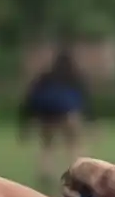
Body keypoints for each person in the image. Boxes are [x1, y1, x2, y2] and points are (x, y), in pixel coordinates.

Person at [19, 50, 90, 183]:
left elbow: (30, 98)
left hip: (47, 116)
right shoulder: (74, 76)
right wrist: (91, 119)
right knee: (73, 144)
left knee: (47, 146)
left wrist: (25, 123)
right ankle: (78, 173)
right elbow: (85, 99)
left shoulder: (45, 77)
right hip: (68, 115)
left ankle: (46, 172)